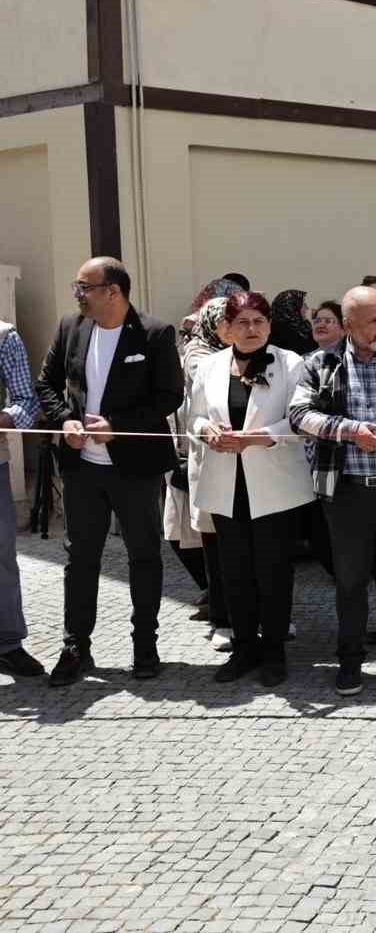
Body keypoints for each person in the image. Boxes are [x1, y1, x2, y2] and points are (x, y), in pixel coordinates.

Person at [37, 256, 184, 685]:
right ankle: (75, 647)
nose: (77, 294)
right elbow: (46, 383)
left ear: (112, 292)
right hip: (82, 469)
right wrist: (66, 420)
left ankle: (145, 646)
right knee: (81, 558)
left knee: (144, 555)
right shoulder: (70, 327)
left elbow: (169, 396)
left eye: (84, 287)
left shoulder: (155, 333)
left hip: (135, 468)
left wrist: (118, 427)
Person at [289, 286, 376, 695]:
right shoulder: (320, 363)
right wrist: (349, 431)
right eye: (373, 321)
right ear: (348, 324)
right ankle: (350, 660)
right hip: (347, 491)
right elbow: (299, 415)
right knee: (351, 581)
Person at [189, 292, 315, 687]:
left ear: (270, 326)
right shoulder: (209, 366)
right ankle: (244, 647)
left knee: (274, 572)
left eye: (258, 321)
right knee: (234, 572)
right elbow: (193, 416)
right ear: (226, 328)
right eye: (241, 322)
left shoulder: (290, 363)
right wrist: (206, 430)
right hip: (226, 484)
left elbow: (301, 419)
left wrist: (260, 437)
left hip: (275, 486)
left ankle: (274, 651)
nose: (251, 329)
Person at [167, 294, 232, 644]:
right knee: (216, 547)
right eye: (225, 321)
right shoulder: (200, 357)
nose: (233, 328)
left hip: (251, 465)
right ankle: (223, 617)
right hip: (210, 460)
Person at [0, 318, 41, 678]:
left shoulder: (4, 336)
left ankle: (8, 644)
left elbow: (26, 401)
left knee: (1, 557)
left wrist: (3, 418)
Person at [268, 289, 316, 355]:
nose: (307, 308)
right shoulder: (281, 329)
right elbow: (309, 347)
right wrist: (309, 322)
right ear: (293, 306)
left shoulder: (296, 325)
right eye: (303, 305)